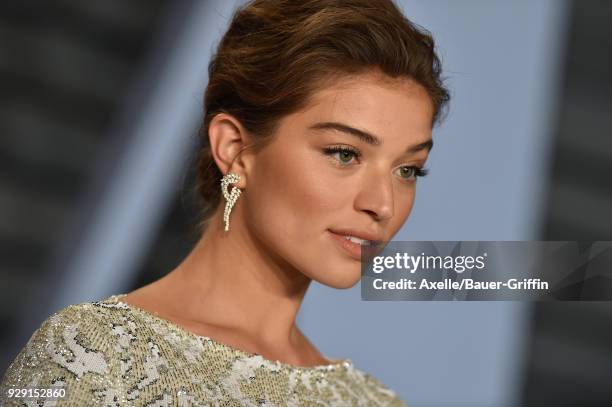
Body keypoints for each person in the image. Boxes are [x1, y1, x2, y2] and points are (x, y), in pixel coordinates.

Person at [0, 0, 449, 405]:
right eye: (344, 153)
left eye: (407, 169)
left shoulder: (372, 402)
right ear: (235, 149)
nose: (383, 204)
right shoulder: (89, 357)